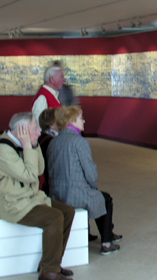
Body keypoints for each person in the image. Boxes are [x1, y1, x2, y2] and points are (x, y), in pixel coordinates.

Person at [0, 112, 75, 280]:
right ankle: (49, 271)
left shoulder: (24, 144)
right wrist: (28, 146)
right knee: (54, 217)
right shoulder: (2, 149)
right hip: (12, 202)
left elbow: (39, 169)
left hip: (30, 197)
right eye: (35, 129)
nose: (39, 132)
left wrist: (33, 145)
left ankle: (51, 262)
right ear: (22, 130)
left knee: (67, 212)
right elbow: (30, 175)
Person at [47, 106, 122, 255]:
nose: (84, 121)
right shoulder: (79, 142)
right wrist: (93, 186)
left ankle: (107, 234)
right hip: (74, 195)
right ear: (72, 121)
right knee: (105, 199)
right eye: (81, 118)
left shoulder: (54, 141)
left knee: (100, 197)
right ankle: (107, 242)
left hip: (56, 194)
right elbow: (91, 174)